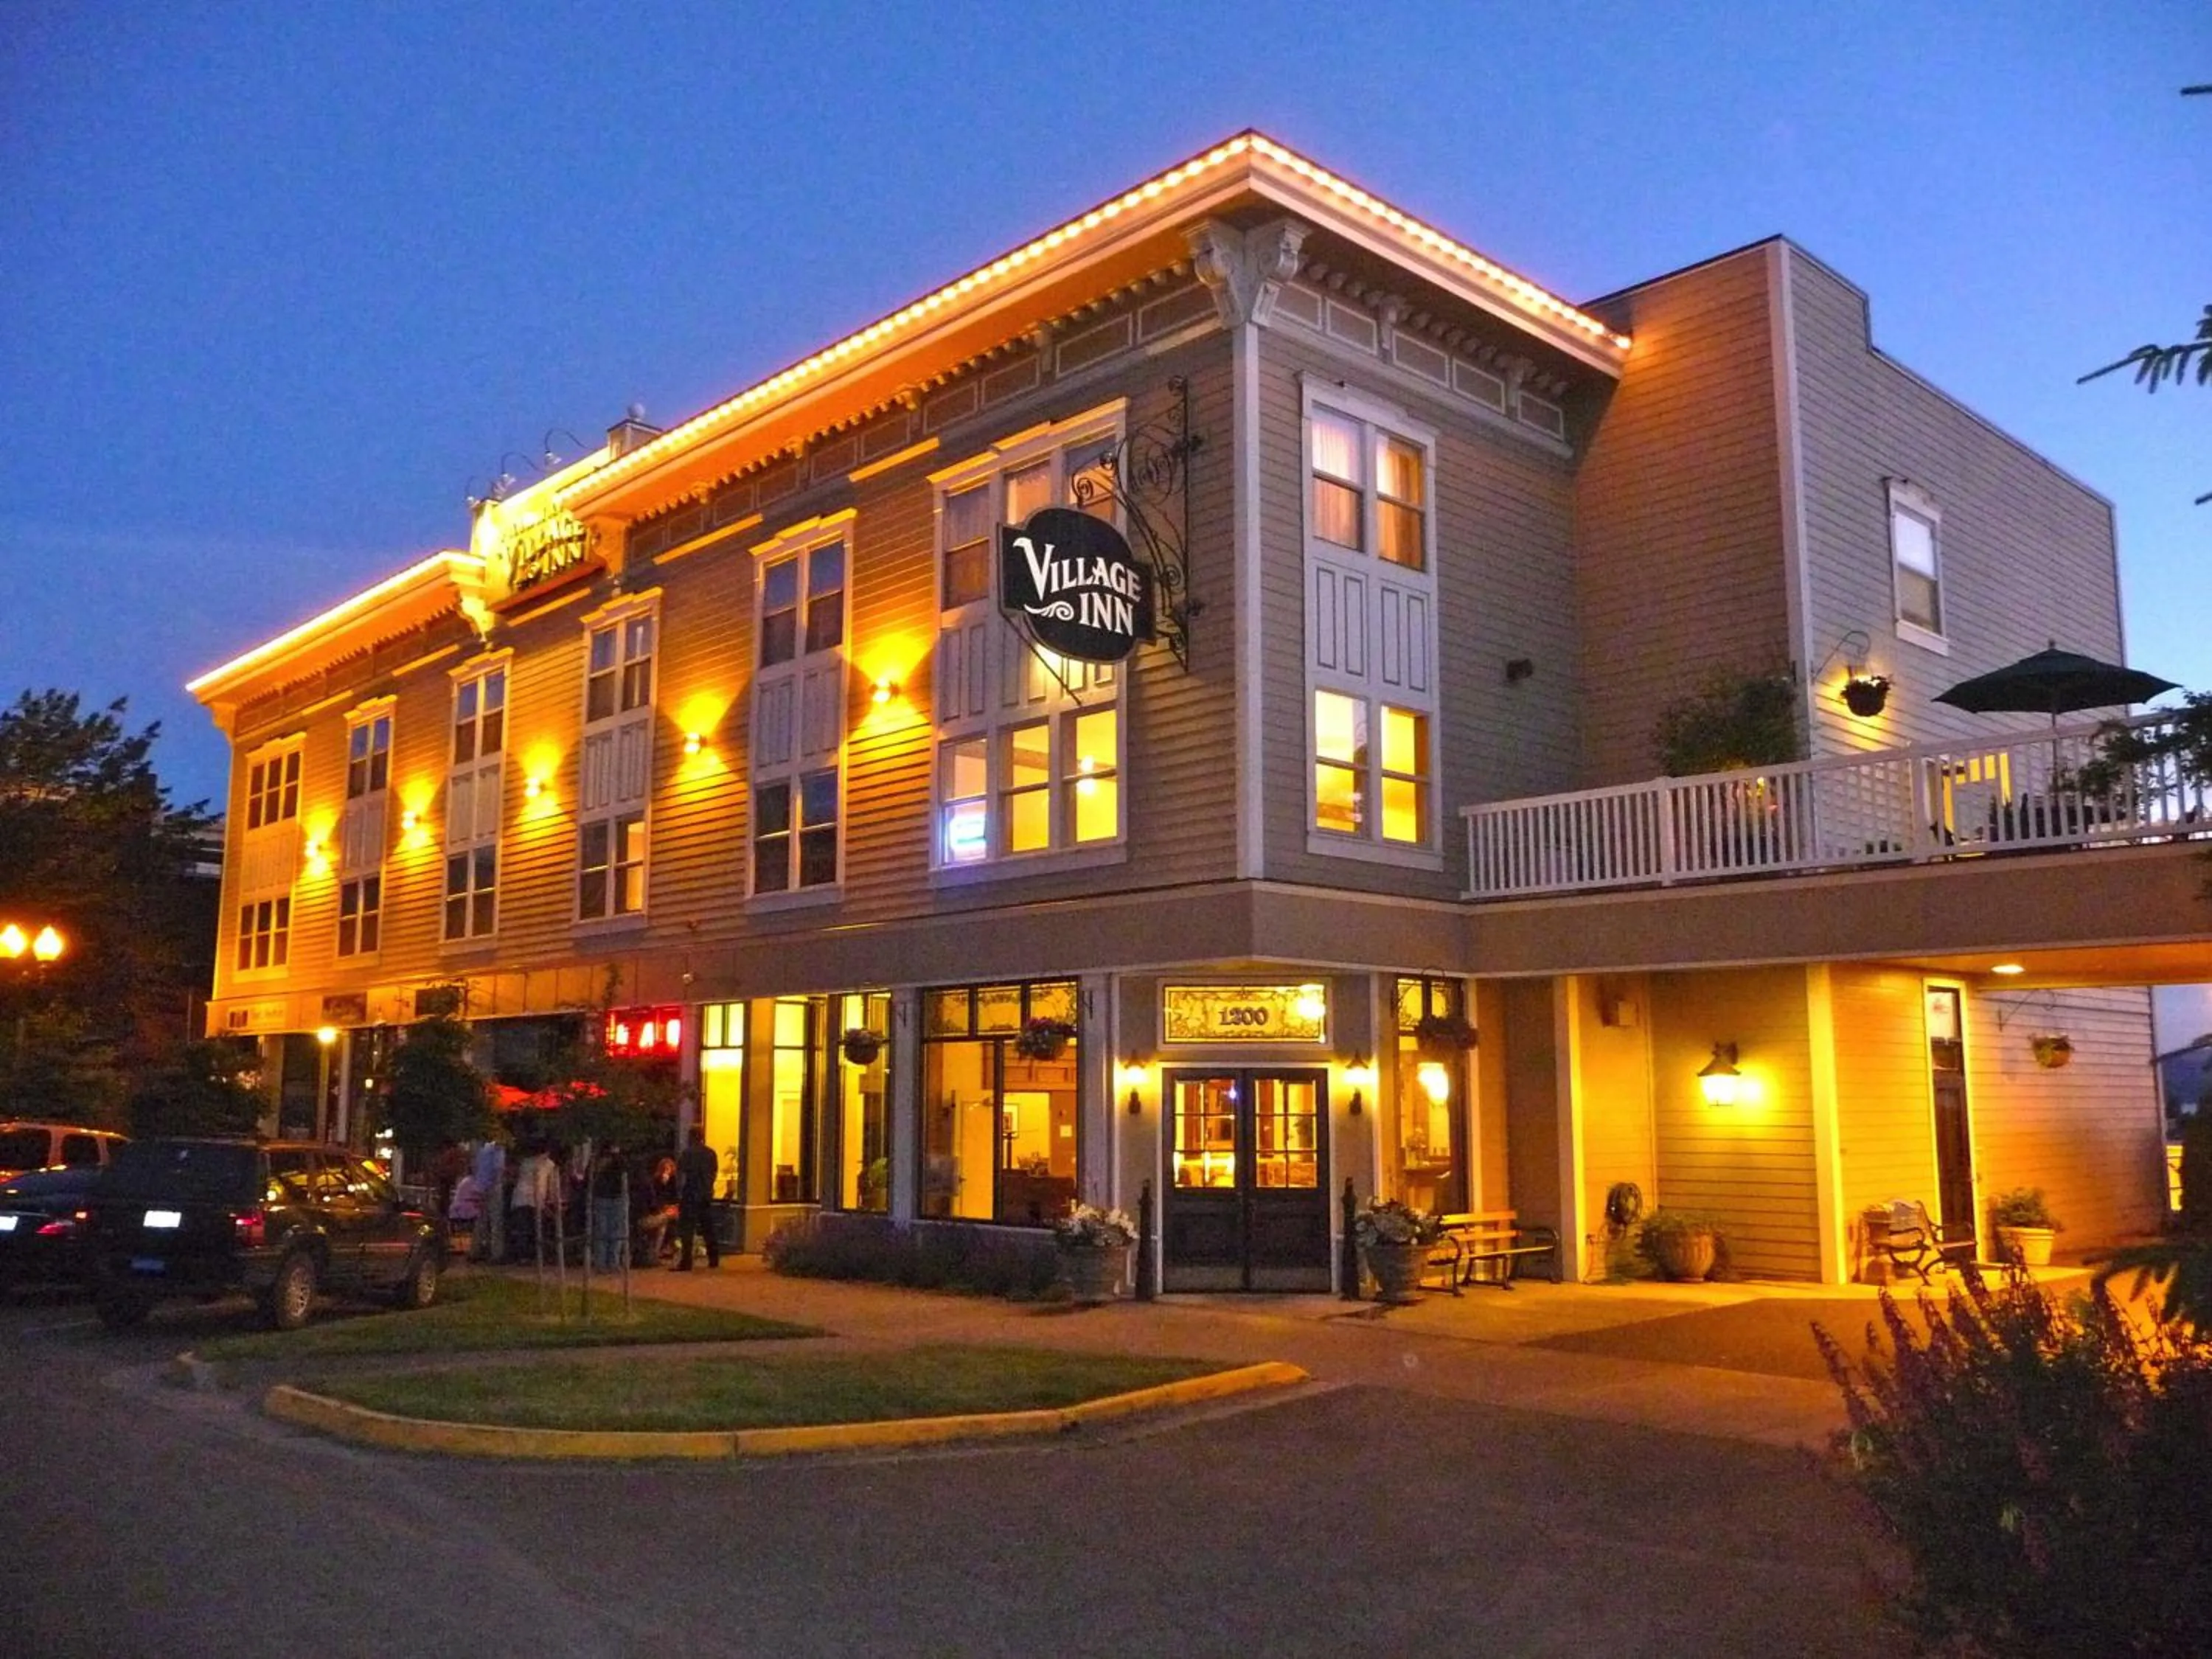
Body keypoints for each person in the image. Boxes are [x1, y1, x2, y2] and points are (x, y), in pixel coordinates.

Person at [675, 1126, 720, 1270]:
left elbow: (681, 1170)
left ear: (691, 1137)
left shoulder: (688, 1153)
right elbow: (714, 1172)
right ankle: (714, 1259)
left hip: (691, 1193)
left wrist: (680, 1191)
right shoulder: (711, 1153)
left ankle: (686, 1261)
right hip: (706, 1194)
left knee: (687, 1228)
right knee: (708, 1227)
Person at [509, 1141, 559, 1265]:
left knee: (523, 1229)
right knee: (536, 1229)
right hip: (537, 1199)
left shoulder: (526, 1162)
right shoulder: (549, 1164)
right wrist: (554, 1201)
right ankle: (537, 1256)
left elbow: (518, 1179)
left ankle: (522, 1257)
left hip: (521, 1198)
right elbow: (552, 1185)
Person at [588, 1141, 629, 1272]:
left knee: (602, 1231)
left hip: (601, 1197)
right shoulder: (620, 1161)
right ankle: (613, 1263)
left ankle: (601, 1263)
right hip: (616, 1197)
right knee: (616, 1231)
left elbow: (589, 1178)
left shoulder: (597, 1161)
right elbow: (626, 1173)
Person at [634, 1153, 679, 1267]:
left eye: (669, 1168)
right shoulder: (653, 1182)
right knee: (666, 1220)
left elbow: (674, 1196)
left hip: (660, 1209)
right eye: (665, 1168)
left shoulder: (673, 1180)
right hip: (646, 1216)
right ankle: (656, 1253)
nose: (667, 1171)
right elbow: (654, 1202)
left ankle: (663, 1249)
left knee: (672, 1217)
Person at [469, 1135, 507, 1265]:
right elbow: (498, 1170)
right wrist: (497, 1183)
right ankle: (497, 1254)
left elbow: (474, 1168)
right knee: (496, 1222)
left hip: (480, 1187)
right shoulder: (497, 1149)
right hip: (493, 1188)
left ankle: (475, 1251)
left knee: (480, 1221)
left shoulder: (479, 1149)